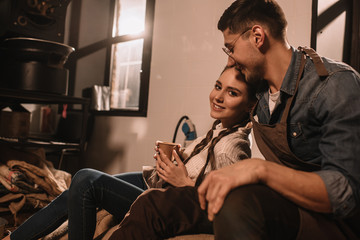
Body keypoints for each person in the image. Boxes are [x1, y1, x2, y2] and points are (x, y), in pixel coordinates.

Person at [108, 0, 360, 239]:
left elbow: (344, 193)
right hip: (285, 203)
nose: (229, 60)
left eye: (231, 48)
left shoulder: (333, 84)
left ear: (257, 37)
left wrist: (260, 169)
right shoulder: (259, 91)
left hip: (332, 223)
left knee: (240, 202)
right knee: (154, 204)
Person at [2, 66, 257, 240]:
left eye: (232, 93)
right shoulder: (219, 129)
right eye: (218, 86)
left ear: (249, 105)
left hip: (171, 199)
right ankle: (15, 237)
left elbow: (227, 209)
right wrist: (178, 160)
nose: (218, 97)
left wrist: (185, 182)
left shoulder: (233, 146)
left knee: (86, 180)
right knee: (76, 187)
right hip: (160, 184)